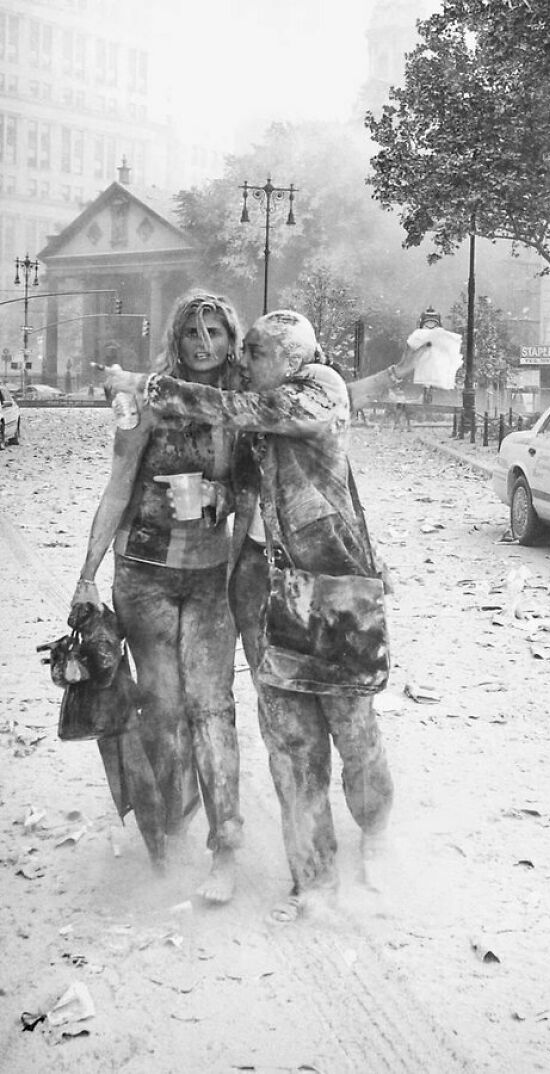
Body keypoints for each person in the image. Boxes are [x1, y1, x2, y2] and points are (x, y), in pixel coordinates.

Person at [105, 310, 395, 923]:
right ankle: (312, 880)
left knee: (354, 730)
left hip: (333, 592)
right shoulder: (257, 409)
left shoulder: (317, 389)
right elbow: (243, 486)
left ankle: (375, 830)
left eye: (254, 351)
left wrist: (146, 384)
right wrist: (216, 497)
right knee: (291, 743)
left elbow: (251, 412)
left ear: (291, 359)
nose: (243, 360)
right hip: (262, 586)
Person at [70, 290, 245, 902]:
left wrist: (226, 498)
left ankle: (226, 848)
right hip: (143, 574)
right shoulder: (145, 400)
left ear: (231, 339)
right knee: (163, 705)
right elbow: (117, 487)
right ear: (177, 336)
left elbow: (259, 487)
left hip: (209, 577)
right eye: (193, 331)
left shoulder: (237, 405)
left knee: (213, 707)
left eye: (216, 332)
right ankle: (166, 829)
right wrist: (88, 573)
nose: (204, 343)